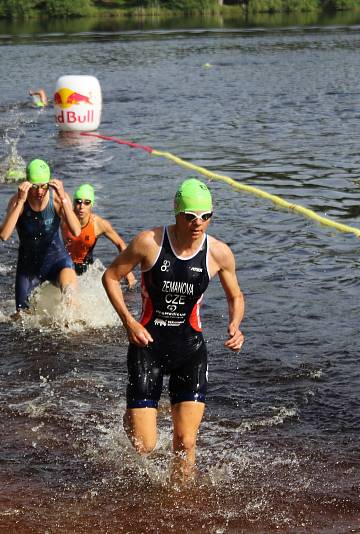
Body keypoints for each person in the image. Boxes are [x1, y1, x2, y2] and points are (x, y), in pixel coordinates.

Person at [102, 178, 245, 481]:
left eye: (205, 216)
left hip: (190, 351)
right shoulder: (149, 243)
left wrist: (236, 324)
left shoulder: (218, 253)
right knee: (144, 445)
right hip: (147, 347)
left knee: (186, 441)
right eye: (191, 216)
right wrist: (129, 321)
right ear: (177, 214)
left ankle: (181, 504)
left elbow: (236, 296)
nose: (198, 223)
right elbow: (111, 276)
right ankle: (133, 417)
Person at [0, 159, 82, 312]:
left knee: (70, 297)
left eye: (44, 186)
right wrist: (20, 201)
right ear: (27, 183)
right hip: (28, 268)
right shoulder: (17, 202)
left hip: (58, 262)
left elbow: (76, 231)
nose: (40, 192)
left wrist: (64, 198)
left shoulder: (57, 200)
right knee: (21, 318)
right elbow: (4, 235)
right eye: (35, 187)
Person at [61, 183, 136, 288]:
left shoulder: (98, 224)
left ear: (91, 205)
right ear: (73, 203)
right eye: (78, 202)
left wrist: (127, 271)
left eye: (86, 203)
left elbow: (120, 244)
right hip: (65, 266)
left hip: (86, 270)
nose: (81, 206)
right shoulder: (64, 218)